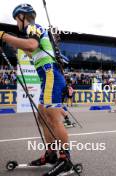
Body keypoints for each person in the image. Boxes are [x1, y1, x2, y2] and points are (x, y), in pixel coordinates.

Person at [1, 4, 72, 175]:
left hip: (51, 76)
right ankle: (51, 155)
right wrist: (13, 42)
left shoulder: (34, 27)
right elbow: (28, 47)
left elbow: (31, 45)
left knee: (53, 118)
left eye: (16, 20)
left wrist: (4, 35)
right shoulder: (33, 31)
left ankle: (66, 160)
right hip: (47, 77)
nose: (17, 24)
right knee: (43, 116)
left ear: (21, 17)